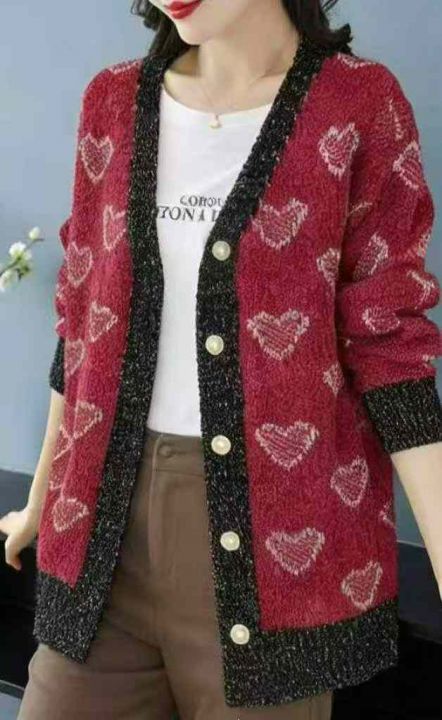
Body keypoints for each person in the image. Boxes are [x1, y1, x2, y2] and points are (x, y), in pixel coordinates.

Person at [2, 1, 442, 718]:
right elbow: (83, 319)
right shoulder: (113, 101)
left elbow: (389, 344)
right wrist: (41, 500)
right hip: (104, 544)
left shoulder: (359, 104)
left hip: (278, 567)